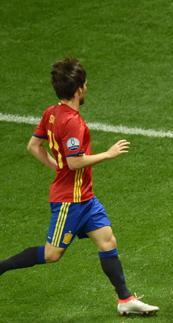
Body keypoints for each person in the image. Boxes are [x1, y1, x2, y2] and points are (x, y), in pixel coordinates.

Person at [0, 58, 159, 315]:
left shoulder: (50, 113)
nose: (86, 87)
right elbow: (75, 162)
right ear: (78, 90)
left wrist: (57, 167)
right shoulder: (72, 122)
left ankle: (125, 299)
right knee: (53, 254)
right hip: (69, 201)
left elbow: (33, 146)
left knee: (107, 241)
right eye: (85, 84)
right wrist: (108, 154)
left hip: (86, 198)